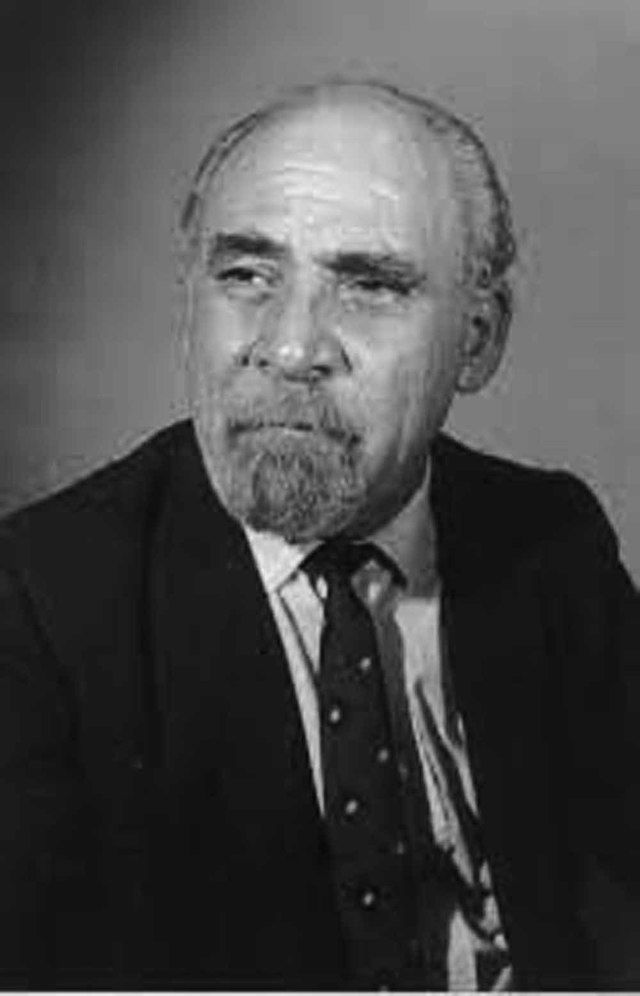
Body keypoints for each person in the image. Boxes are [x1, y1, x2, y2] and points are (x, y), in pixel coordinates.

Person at [0, 78, 638, 991]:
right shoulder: (40, 604)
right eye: (246, 276)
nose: (291, 347)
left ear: (478, 339)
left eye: (370, 286)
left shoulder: (549, 542)